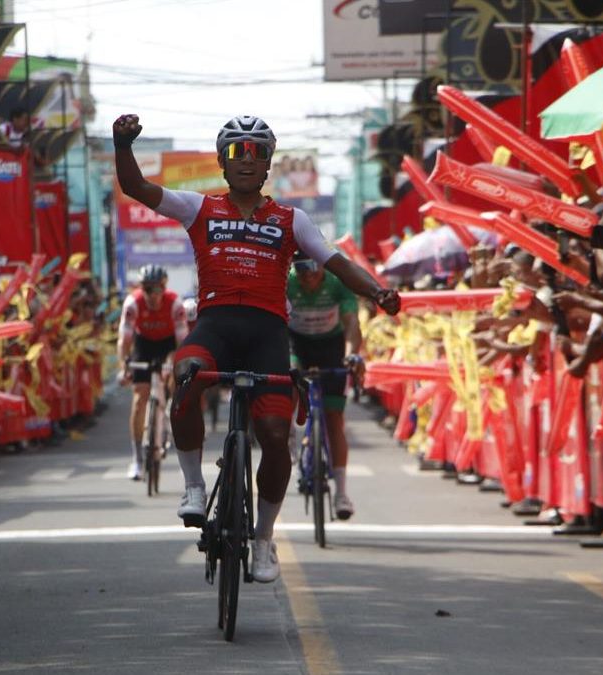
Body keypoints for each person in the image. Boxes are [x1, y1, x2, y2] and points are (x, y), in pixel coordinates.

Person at [113, 113, 400, 583]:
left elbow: (337, 264)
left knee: (274, 432)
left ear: (268, 163)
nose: (246, 161)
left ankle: (264, 540)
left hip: (268, 334)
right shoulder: (197, 207)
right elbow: (137, 188)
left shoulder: (293, 219)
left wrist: (377, 291)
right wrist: (122, 145)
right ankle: (192, 485)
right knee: (184, 375)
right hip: (216, 327)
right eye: (236, 152)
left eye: (256, 152)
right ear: (223, 162)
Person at [286, 252, 364, 520]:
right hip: (297, 344)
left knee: (334, 420)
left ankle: (342, 493)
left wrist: (353, 354)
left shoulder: (336, 281)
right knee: (289, 380)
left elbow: (352, 322)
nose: (309, 276)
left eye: (314, 269)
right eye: (302, 270)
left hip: (331, 346)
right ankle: (289, 436)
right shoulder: (287, 282)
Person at [116, 264, 188, 480]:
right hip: (143, 343)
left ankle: (167, 417)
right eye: (148, 289)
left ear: (164, 288)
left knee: (176, 378)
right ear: (142, 289)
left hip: (168, 344)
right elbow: (124, 341)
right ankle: (137, 459)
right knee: (140, 397)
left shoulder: (175, 304)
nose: (153, 295)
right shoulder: (133, 304)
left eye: (158, 290)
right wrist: (124, 367)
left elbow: (182, 343)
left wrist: (177, 369)